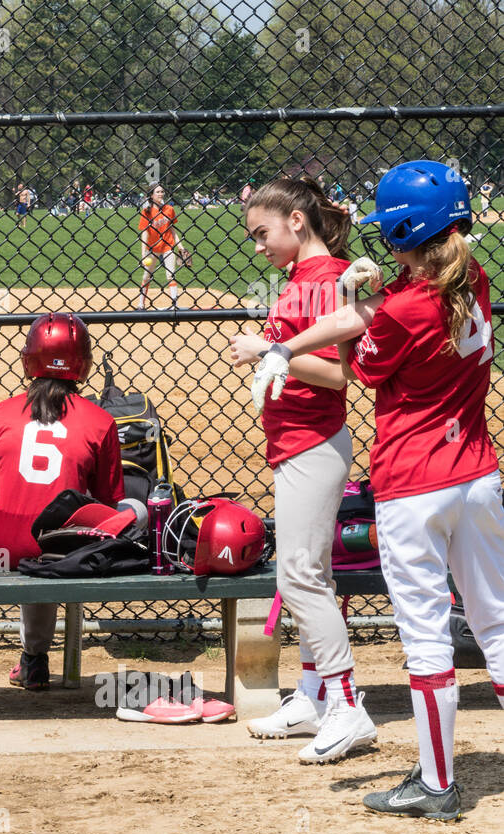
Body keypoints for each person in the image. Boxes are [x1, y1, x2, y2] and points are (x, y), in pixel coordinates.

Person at [243, 160, 504, 820]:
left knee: (426, 642)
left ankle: (438, 786)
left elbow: (359, 354)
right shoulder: (472, 277)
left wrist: (292, 342)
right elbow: (384, 310)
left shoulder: (403, 311)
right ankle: (436, 775)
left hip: (415, 486)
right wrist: (348, 306)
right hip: (477, 476)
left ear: (399, 233)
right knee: (497, 624)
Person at [226, 178, 377, 762]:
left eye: (263, 233)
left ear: (296, 219)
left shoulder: (325, 278)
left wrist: (267, 351)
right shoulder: (302, 278)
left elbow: (341, 376)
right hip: (296, 443)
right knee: (308, 571)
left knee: (298, 576)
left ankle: (346, 705)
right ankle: (314, 694)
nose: (257, 246)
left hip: (313, 444)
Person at [0, 312, 123, 690]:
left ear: (28, 360)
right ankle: (36, 657)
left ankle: (33, 658)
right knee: (59, 525)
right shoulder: (100, 420)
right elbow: (109, 501)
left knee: (30, 518)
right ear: (85, 365)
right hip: (56, 551)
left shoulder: (1, 411)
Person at [137, 183, 189, 309]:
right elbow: (144, 233)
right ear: (151, 195)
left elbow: (172, 230)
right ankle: (141, 303)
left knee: (170, 275)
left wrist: (180, 247)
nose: (161, 194)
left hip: (168, 246)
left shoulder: (169, 209)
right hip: (152, 248)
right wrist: (143, 252)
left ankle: (174, 304)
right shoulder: (146, 212)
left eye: (162, 192)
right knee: (146, 275)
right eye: (158, 192)